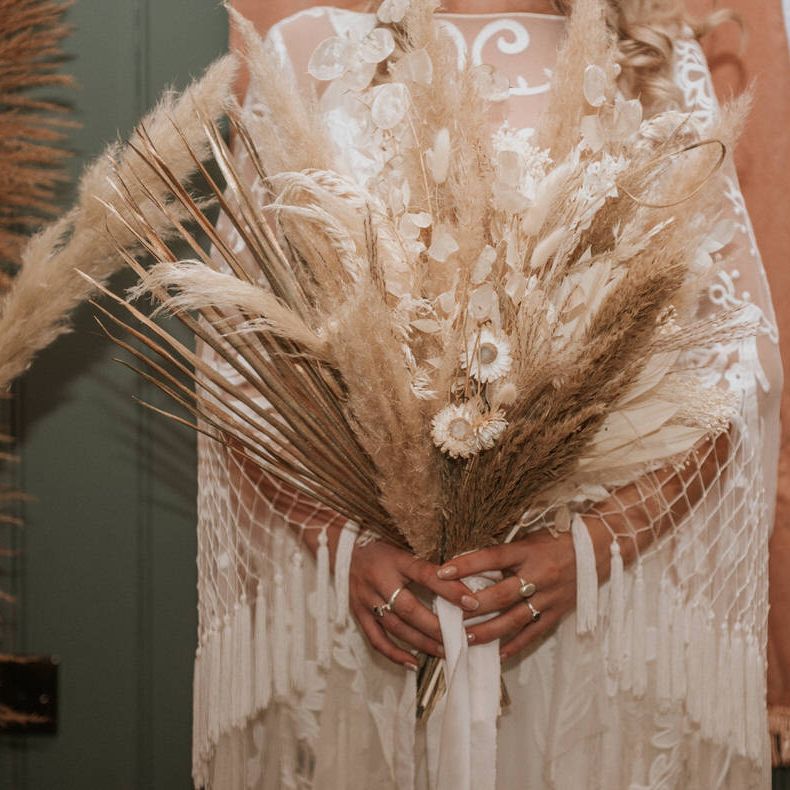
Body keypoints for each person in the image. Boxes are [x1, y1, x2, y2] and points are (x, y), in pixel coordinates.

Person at [192, 2, 783, 787]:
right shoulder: (309, 52)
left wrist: (591, 549)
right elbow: (236, 360)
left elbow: (736, 369)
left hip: (580, 617)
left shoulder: (654, 64)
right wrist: (341, 544)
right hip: (379, 620)